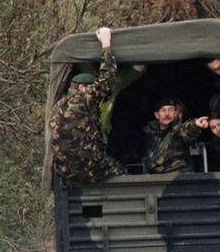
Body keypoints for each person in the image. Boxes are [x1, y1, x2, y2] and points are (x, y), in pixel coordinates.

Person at [49, 27, 126, 184]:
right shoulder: (85, 98)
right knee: (119, 169)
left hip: (66, 172)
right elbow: (108, 76)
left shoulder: (57, 105)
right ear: (83, 87)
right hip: (90, 168)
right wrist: (106, 44)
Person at [142, 97, 208, 174]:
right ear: (156, 115)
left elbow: (186, 130)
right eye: (163, 110)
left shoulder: (177, 130)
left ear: (175, 113)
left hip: (179, 177)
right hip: (154, 178)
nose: (167, 114)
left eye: (171, 110)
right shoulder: (148, 131)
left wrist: (195, 125)